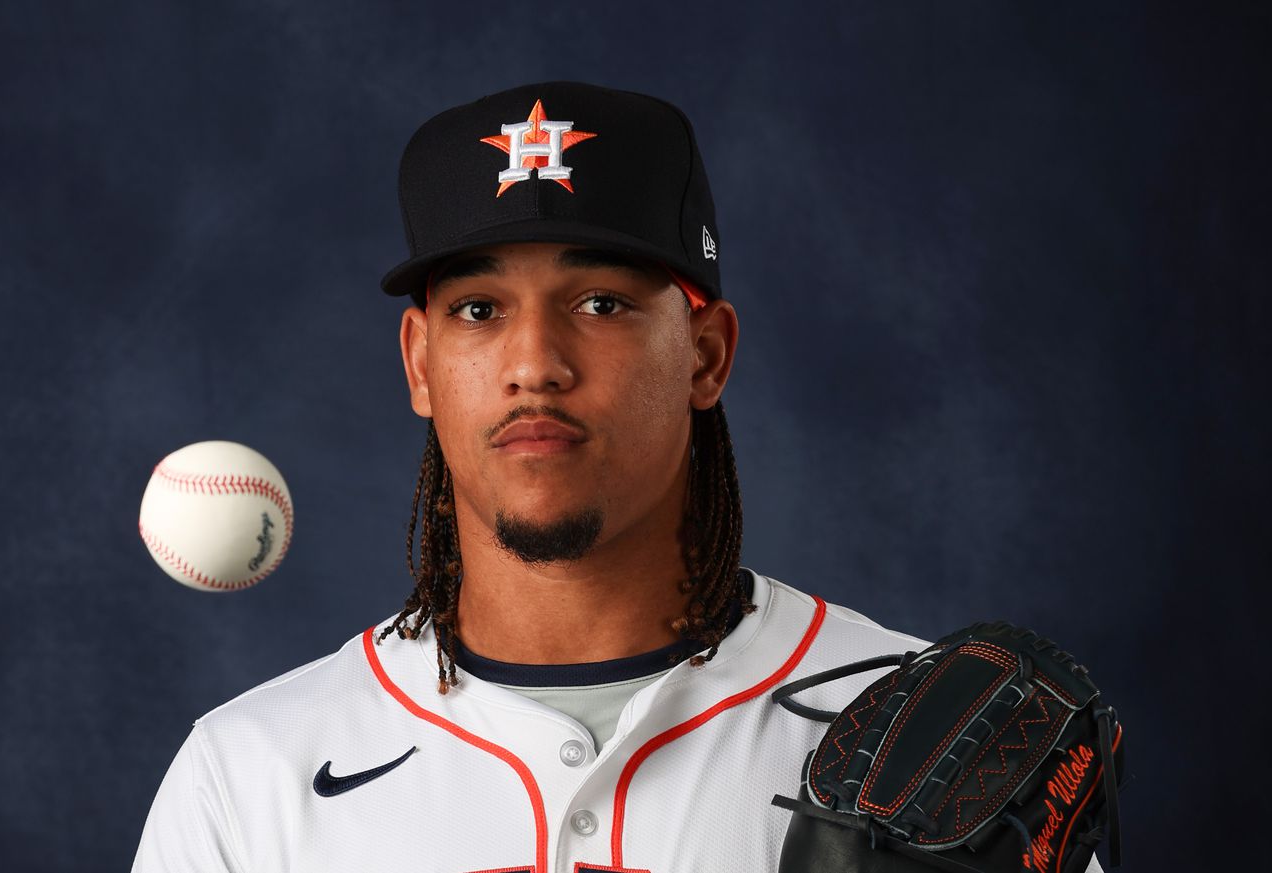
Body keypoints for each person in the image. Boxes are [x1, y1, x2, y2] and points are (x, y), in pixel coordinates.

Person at [133, 81, 1094, 873]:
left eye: (600, 301)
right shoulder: (251, 774)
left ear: (707, 354)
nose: (534, 361)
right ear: (420, 363)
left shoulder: (923, 742)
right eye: (477, 309)